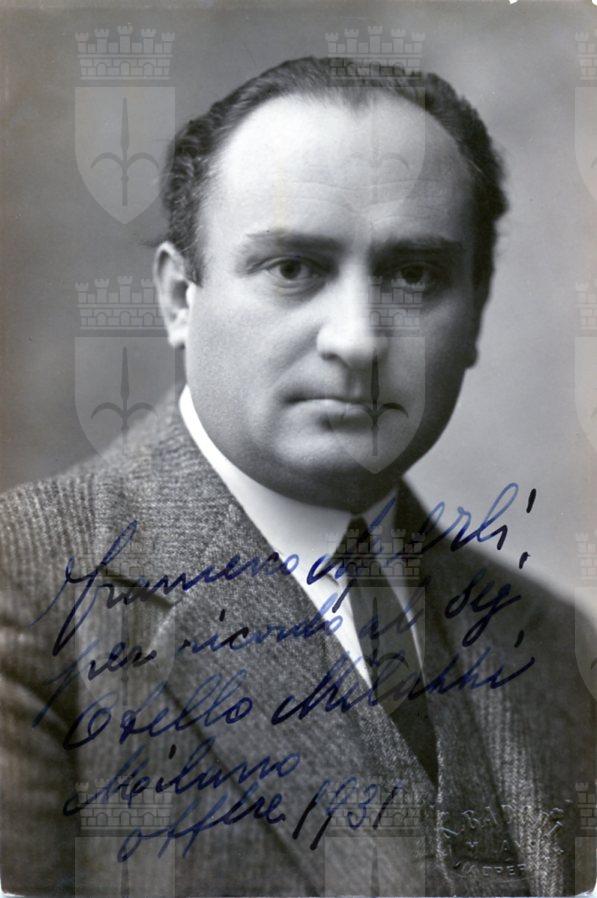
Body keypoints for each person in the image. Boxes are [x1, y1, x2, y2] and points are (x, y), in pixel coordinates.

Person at [0, 56, 594, 898]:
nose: (357, 340)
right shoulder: (23, 593)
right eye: (293, 268)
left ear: (475, 312)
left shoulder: (554, 642)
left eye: (413, 275)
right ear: (178, 297)